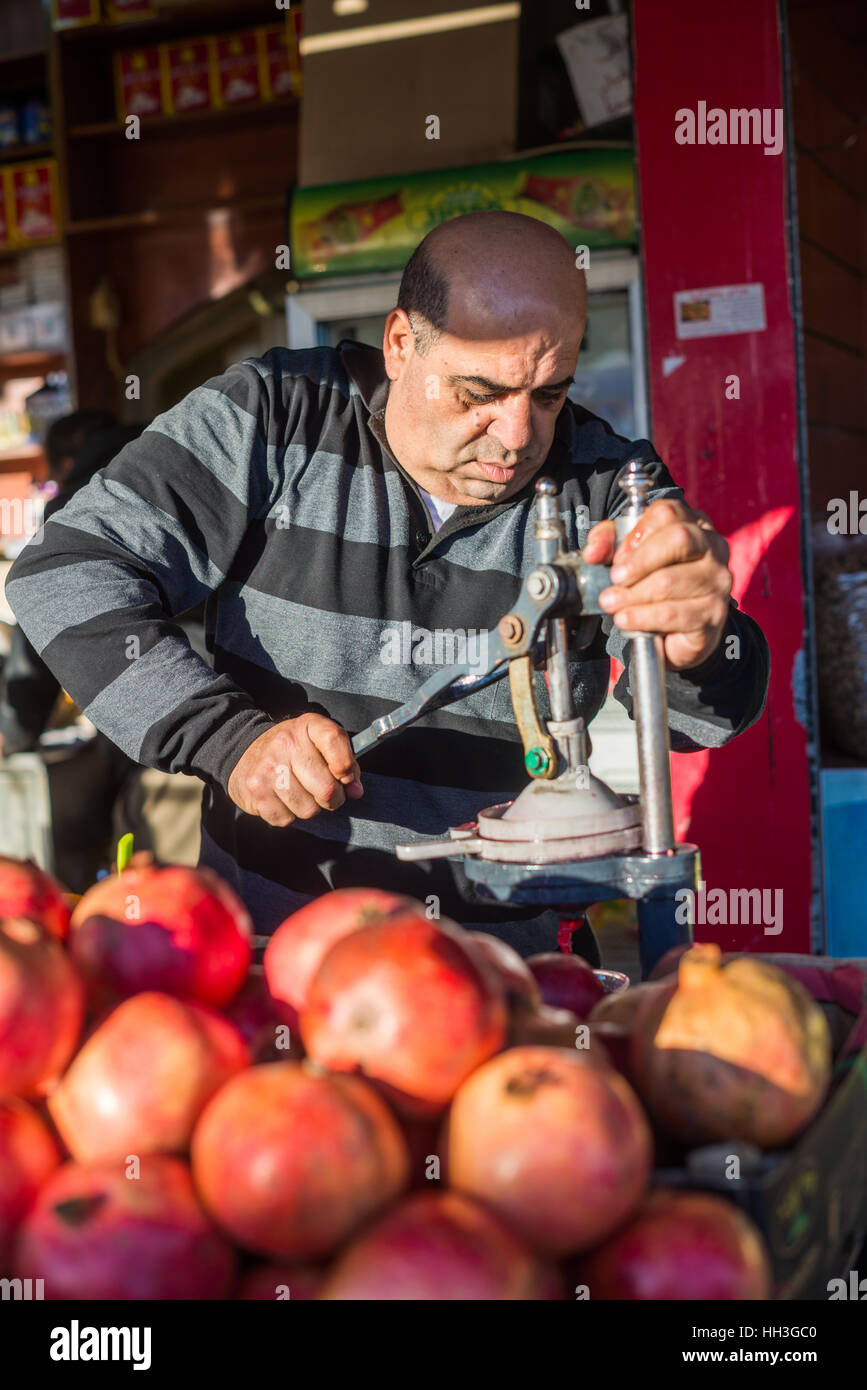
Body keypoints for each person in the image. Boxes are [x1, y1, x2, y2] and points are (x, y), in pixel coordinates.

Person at [7, 212, 770, 955]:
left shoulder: (608, 485)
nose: (516, 438)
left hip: (510, 983)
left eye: (548, 394)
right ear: (401, 343)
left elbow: (695, 726)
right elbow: (65, 572)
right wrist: (227, 740)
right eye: (477, 393)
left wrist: (699, 643)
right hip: (274, 967)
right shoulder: (272, 418)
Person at [1, 415, 204, 889]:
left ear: (68, 461)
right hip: (232, 676)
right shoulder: (181, 453)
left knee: (164, 866)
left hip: (171, 689)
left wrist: (14, 731)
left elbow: (53, 616)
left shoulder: (84, 500)